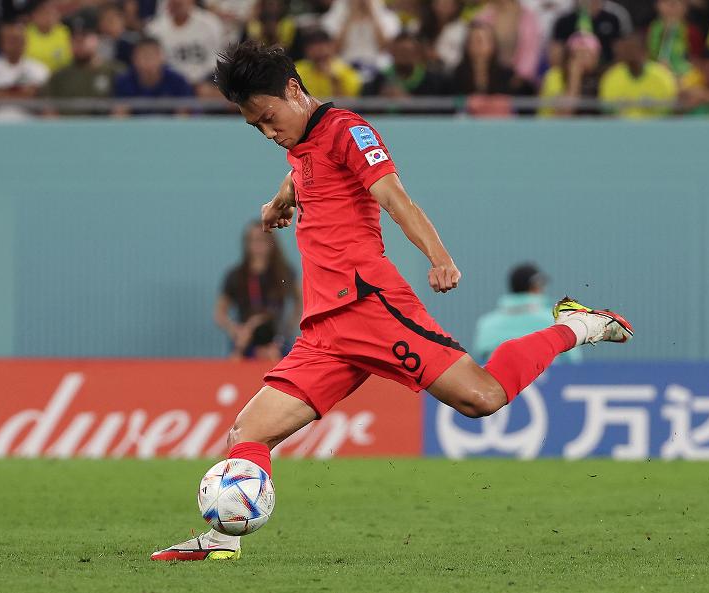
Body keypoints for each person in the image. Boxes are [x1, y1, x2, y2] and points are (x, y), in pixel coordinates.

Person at [150, 41, 633, 562]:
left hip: (369, 305)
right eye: (256, 127)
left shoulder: (349, 131)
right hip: (324, 331)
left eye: (268, 118)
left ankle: (578, 326)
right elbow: (302, 170)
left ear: (293, 90)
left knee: (484, 399)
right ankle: (222, 542)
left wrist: (439, 256)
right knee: (248, 432)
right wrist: (278, 204)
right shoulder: (300, 142)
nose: (269, 133)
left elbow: (393, 197)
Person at [215, 221, 302, 361]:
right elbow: (220, 313)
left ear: (271, 242)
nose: (258, 244)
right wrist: (235, 330)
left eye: (262, 239)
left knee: (282, 362)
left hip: (276, 337)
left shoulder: (284, 273)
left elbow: (301, 302)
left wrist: (288, 329)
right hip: (246, 336)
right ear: (246, 243)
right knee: (235, 359)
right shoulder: (236, 275)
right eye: (253, 240)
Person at [473, 264, 582, 364]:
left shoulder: (487, 323)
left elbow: (482, 358)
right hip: (549, 382)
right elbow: (573, 361)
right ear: (536, 286)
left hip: (499, 383)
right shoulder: (555, 320)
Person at [145, 0, 224, 94]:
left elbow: (219, 58)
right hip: (169, 84)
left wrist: (203, 81)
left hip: (206, 81)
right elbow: (154, 63)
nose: (178, 3)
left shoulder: (211, 23)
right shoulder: (154, 28)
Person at [41, 25, 123, 115]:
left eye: (84, 38)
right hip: (68, 126)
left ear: (97, 39)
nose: (79, 43)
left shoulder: (115, 72)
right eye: (74, 39)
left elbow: (123, 108)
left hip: (104, 126)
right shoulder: (59, 76)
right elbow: (48, 109)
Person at [0, 21, 50, 116]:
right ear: (1, 42)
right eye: (10, 40)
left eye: (17, 40)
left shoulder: (39, 69)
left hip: (29, 124)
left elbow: (41, 100)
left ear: (25, 42)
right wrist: (21, 94)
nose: (14, 44)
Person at [599, 33, 678, 118]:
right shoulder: (611, 77)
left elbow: (670, 110)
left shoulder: (662, 76)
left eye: (634, 49)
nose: (631, 54)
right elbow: (607, 112)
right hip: (621, 128)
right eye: (627, 50)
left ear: (645, 52)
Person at [112, 36, 194, 116]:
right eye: (143, 56)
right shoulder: (123, 81)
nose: (148, 61)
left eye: (152, 56)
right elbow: (119, 116)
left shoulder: (178, 81)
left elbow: (183, 116)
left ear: (161, 57)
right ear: (134, 58)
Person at [321, 0, 402, 78]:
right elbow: (335, 49)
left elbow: (385, 47)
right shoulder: (331, 17)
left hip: (378, 66)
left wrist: (372, 15)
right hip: (345, 66)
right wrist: (350, 17)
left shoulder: (389, 18)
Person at [362, 33, 452, 97]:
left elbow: (440, 113)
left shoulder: (435, 82)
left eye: (408, 52)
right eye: (400, 52)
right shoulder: (379, 80)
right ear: (392, 53)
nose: (404, 56)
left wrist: (407, 101)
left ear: (418, 54)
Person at [475, 0, 542, 83]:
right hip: (489, 78)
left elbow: (531, 51)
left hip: (519, 81)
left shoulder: (528, 16)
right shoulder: (483, 16)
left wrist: (520, 77)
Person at [539, 30, 603, 116]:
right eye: (576, 54)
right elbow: (563, 114)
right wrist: (574, 77)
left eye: (586, 54)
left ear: (596, 58)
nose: (581, 59)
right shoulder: (554, 76)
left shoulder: (605, 78)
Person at [552, 0, 631, 65]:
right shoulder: (564, 21)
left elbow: (622, 51)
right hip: (571, 71)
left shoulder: (614, 18)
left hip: (606, 70)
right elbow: (556, 54)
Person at [294, 29, 363, 99]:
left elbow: (349, 104)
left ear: (331, 47)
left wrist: (334, 81)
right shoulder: (297, 70)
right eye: (312, 47)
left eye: (321, 47)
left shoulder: (346, 71)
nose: (318, 52)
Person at [647, 0, 705, 78]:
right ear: (658, 5)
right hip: (656, 75)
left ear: (686, 7)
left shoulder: (692, 32)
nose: (672, 5)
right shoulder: (652, 29)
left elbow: (698, 62)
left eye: (677, 2)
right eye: (666, 2)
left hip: (684, 77)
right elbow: (647, 56)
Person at [419, 0, 468, 75]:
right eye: (438, 2)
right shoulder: (422, 25)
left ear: (455, 6)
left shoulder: (462, 30)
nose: (441, 6)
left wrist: (438, 57)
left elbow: (460, 59)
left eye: (446, 3)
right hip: (422, 73)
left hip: (450, 76)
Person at [24, 0, 73, 72]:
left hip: (60, 76)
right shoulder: (24, 34)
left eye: (51, 12)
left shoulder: (66, 32)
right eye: (43, 12)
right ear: (34, 15)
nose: (48, 16)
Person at [97, 2, 140, 66]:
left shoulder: (134, 40)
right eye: (103, 20)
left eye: (111, 20)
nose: (107, 24)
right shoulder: (97, 43)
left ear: (122, 19)